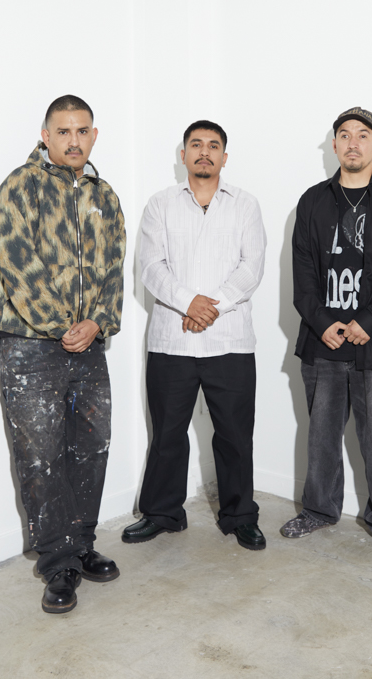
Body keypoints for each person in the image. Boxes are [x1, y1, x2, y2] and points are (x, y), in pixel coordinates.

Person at [0, 94, 126, 612]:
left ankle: (81, 544)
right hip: (28, 346)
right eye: (63, 131)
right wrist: (63, 325)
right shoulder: (19, 187)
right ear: (46, 136)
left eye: (82, 131)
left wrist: (98, 323)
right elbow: (17, 266)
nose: (73, 140)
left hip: (89, 343)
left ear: (94, 135)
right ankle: (58, 563)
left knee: (90, 448)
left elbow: (114, 270)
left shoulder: (105, 196)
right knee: (41, 457)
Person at [281, 107, 372, 559]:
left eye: (363, 135)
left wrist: (369, 321)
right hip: (323, 342)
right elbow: (302, 273)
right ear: (334, 145)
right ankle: (319, 510)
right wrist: (324, 324)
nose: (353, 142)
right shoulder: (312, 201)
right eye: (344, 135)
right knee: (321, 437)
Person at [122, 120, 267, 550]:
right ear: (183, 154)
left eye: (213, 145)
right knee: (167, 434)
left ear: (225, 157)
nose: (205, 152)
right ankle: (162, 513)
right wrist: (190, 303)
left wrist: (211, 307)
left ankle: (240, 516)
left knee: (236, 437)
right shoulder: (160, 205)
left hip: (230, 341)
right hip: (172, 340)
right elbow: (151, 267)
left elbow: (251, 267)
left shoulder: (246, 205)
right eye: (196, 144)